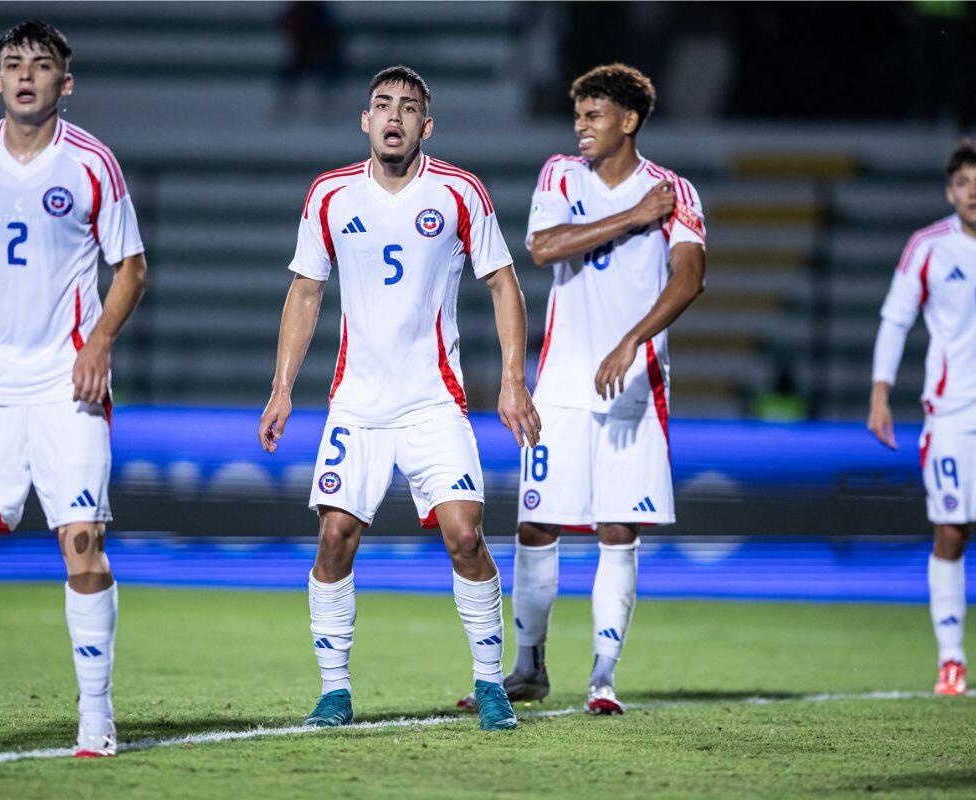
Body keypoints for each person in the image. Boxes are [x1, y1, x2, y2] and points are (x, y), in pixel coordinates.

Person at [258, 65, 541, 731]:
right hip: (356, 404)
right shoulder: (330, 195)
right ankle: (334, 690)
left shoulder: (460, 192)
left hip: (432, 403)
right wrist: (281, 391)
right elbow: (305, 291)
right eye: (382, 105)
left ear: (426, 125)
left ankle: (490, 682)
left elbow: (504, 283)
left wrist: (512, 378)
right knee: (335, 537)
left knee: (466, 534)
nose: (394, 116)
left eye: (408, 107)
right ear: (365, 120)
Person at [0, 21, 147, 756]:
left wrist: (99, 343)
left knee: (82, 541)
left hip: (63, 384)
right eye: (12, 64)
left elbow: (131, 267)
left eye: (41, 66)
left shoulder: (91, 164)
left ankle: (95, 714)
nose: (25, 75)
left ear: (63, 85)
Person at [462, 63, 706, 715]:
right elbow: (542, 246)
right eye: (578, 116)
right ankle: (529, 666)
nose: (581, 127)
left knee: (616, 527)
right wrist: (630, 217)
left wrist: (632, 340)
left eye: (593, 115)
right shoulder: (560, 175)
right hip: (563, 383)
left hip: (634, 389)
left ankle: (603, 677)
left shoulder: (676, 191)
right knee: (537, 523)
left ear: (628, 121)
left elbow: (689, 278)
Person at [868, 139, 976, 696]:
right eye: (963, 183)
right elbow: (895, 320)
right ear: (949, 193)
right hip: (952, 415)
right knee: (951, 532)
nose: (974, 192)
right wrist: (880, 394)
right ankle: (952, 658)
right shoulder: (928, 246)